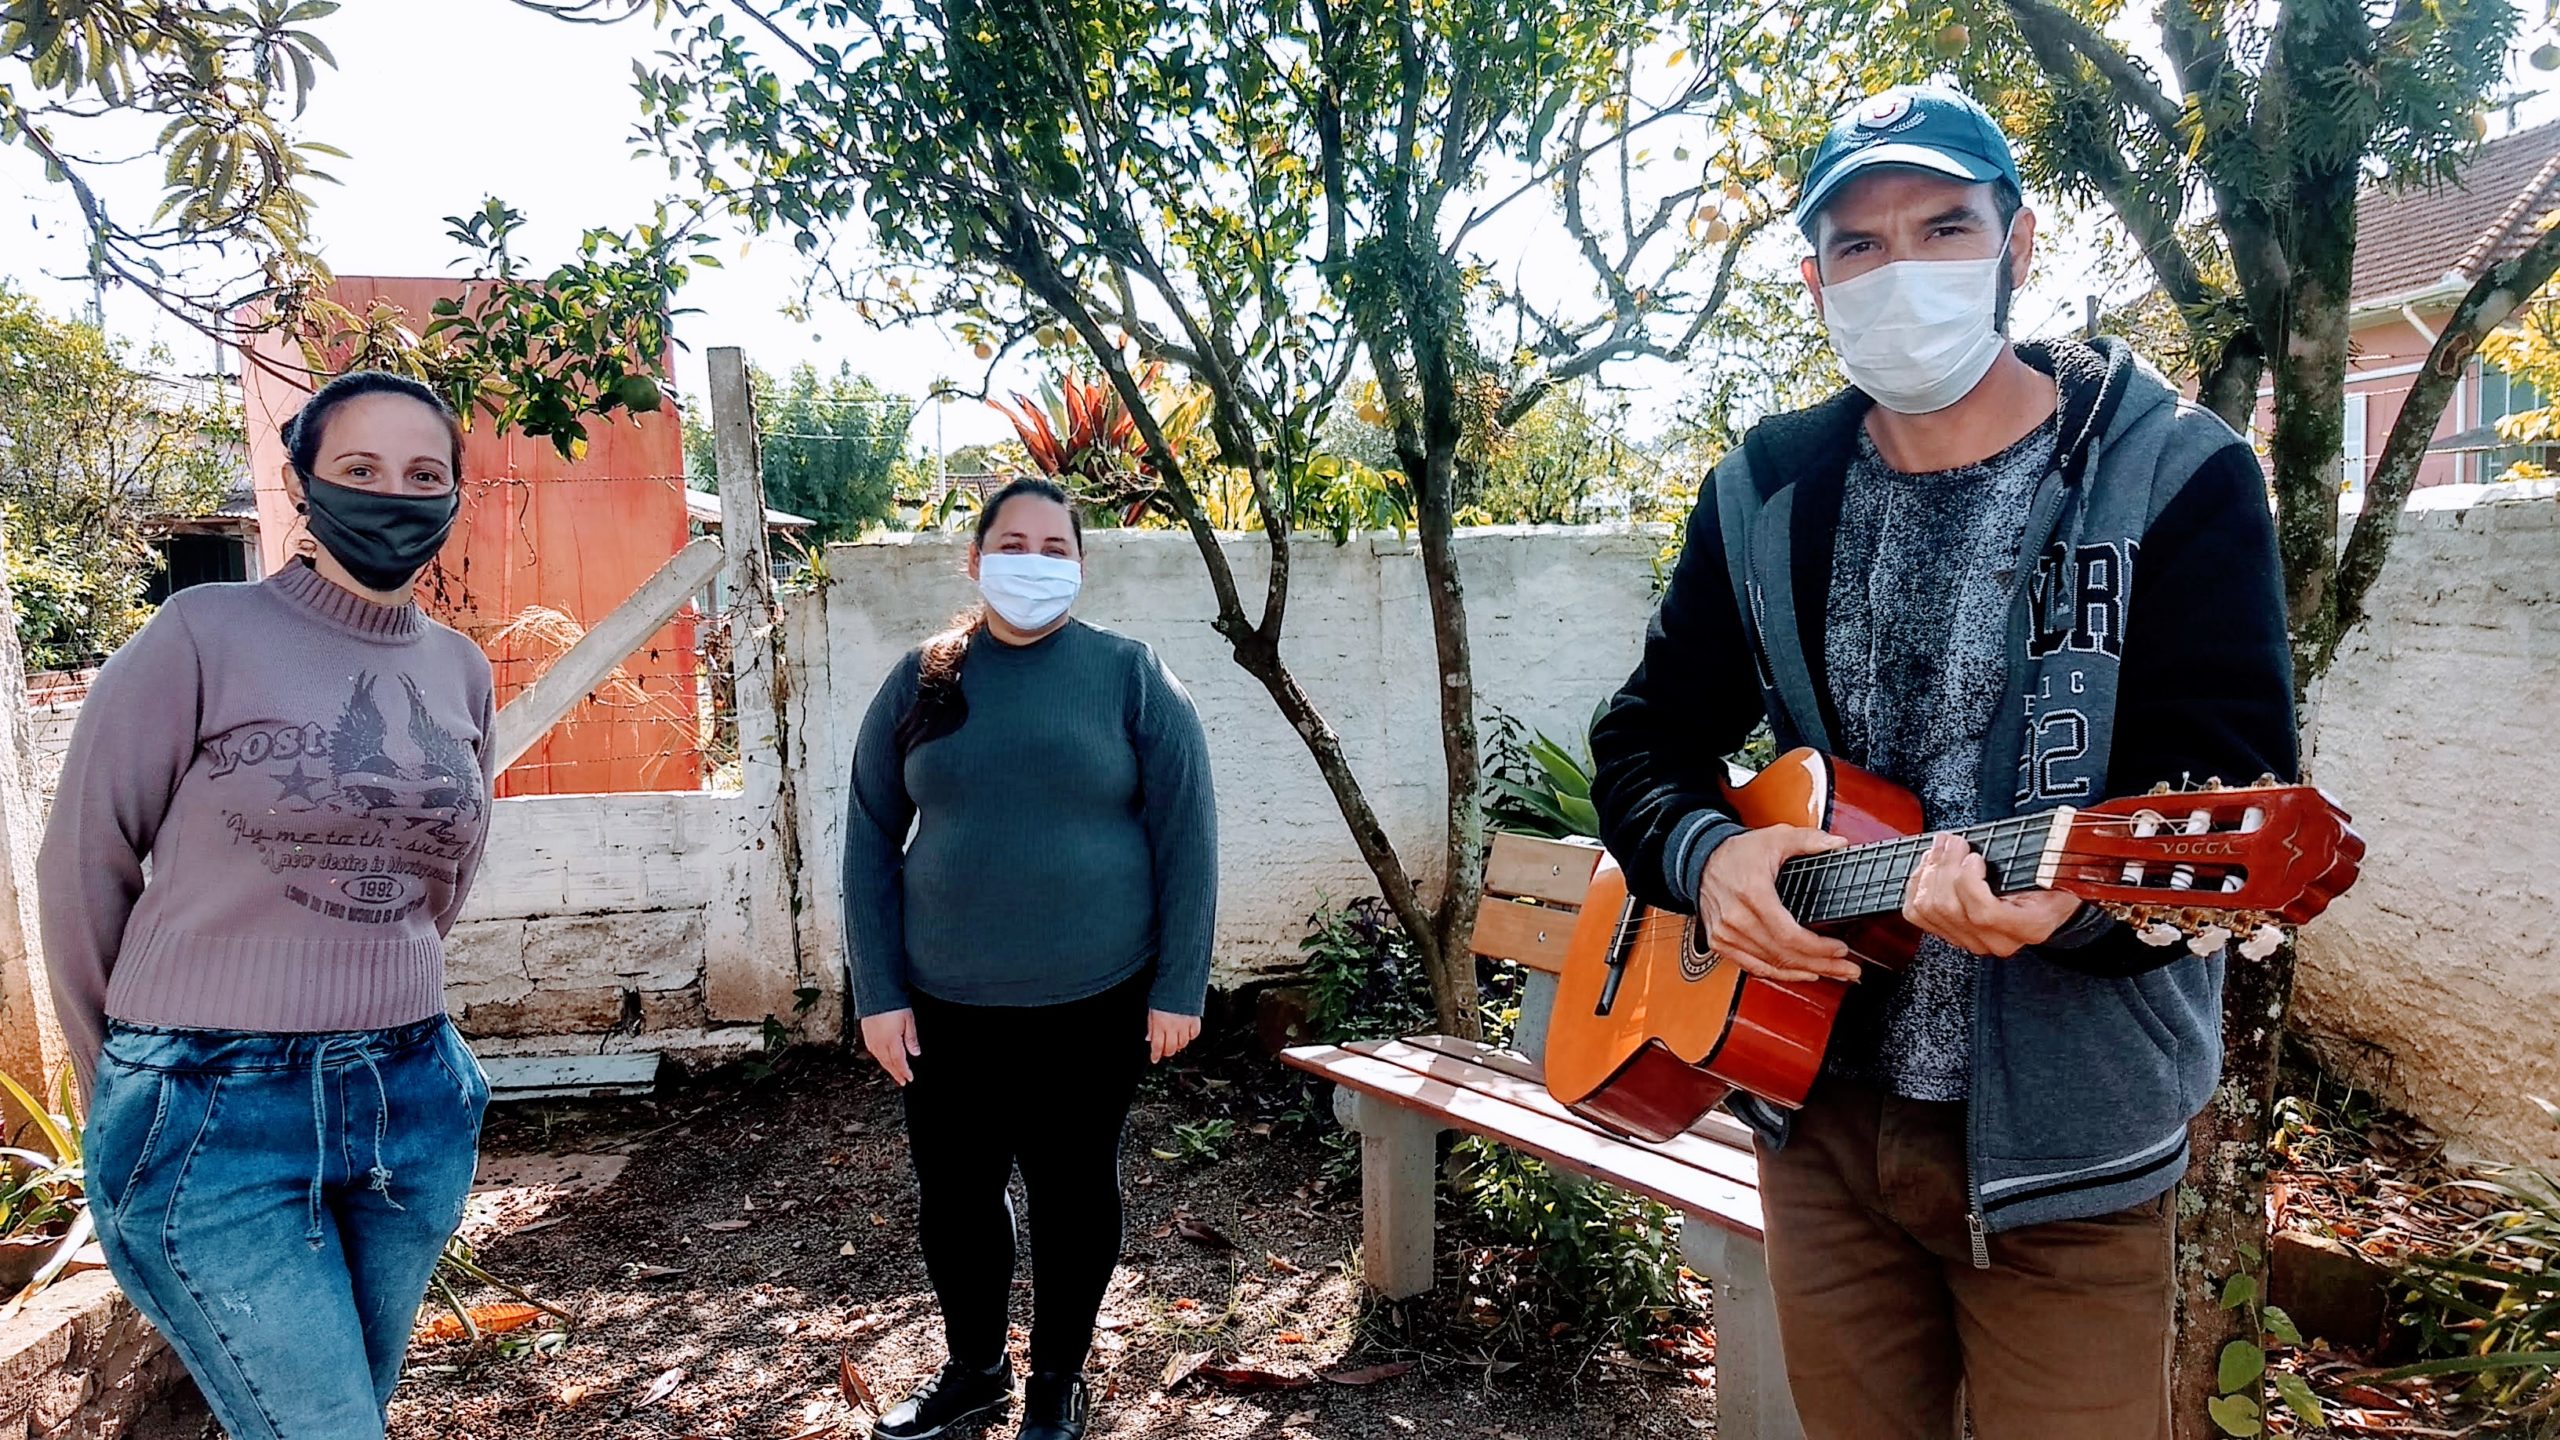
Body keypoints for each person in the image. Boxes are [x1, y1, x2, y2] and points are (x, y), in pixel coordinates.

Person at [1588, 86, 2296, 1440]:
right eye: (1858, 244)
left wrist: (2077, 903)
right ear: (1814, 278)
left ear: (2016, 243)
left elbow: (2224, 790)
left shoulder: (2173, 477)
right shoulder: (1766, 490)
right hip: (1817, 1115)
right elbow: (1645, 740)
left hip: (2072, 1157)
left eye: (1943, 226)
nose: (1899, 269)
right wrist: (1711, 853)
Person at [39, 370, 499, 1438]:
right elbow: (83, 862)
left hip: (411, 1098)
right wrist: (125, 1082)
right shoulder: (202, 634)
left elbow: (448, 870)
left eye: (424, 474)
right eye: (360, 470)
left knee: (336, 1416)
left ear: (452, 496)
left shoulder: (460, 669)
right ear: (303, 485)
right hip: (208, 1109)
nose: (395, 494)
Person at [842, 476, 1218, 1440]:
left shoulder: (1132, 676)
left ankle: (1058, 1378)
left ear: (1081, 565)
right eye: (1014, 543)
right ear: (975, 560)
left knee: (1073, 1192)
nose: (1035, 563)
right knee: (955, 1201)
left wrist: (1179, 986)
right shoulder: (924, 679)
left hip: (1094, 1000)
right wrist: (878, 993)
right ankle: (975, 1371)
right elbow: (869, 836)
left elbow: (1190, 837)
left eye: (1057, 547)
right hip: (942, 1004)